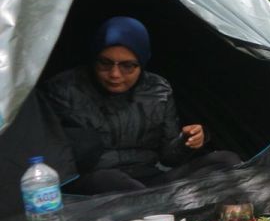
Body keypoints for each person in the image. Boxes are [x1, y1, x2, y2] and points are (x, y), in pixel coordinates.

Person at [42, 16, 240, 194]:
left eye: (127, 66)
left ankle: (151, 204)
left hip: (151, 178)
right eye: (105, 63)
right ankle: (157, 205)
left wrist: (187, 140)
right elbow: (56, 157)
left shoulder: (157, 89)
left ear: (142, 63)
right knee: (112, 181)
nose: (115, 74)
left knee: (225, 160)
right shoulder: (65, 89)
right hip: (100, 180)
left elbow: (169, 157)